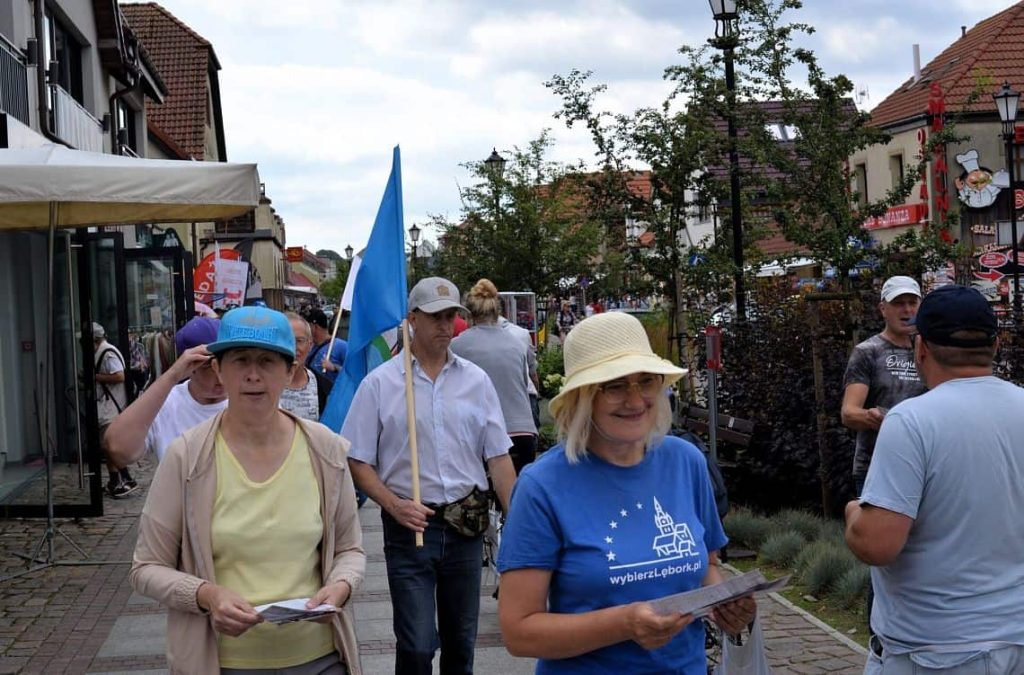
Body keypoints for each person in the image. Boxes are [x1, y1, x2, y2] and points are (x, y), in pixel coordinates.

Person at [497, 312, 756, 674]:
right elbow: (519, 632)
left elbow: (707, 566)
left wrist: (725, 606)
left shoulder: (685, 462)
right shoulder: (542, 486)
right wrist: (625, 624)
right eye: (615, 386)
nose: (635, 401)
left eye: (646, 381)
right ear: (582, 397)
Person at [130, 306, 365, 674]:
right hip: (223, 662)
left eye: (267, 361)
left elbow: (350, 549)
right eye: (240, 360)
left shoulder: (325, 450)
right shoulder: (187, 457)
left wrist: (341, 585)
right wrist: (207, 595)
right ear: (219, 369)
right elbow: (146, 567)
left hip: (319, 659)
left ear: (290, 370)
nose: (253, 375)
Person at [343, 276, 517, 675]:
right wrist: (393, 504)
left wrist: (520, 522)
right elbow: (357, 459)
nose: (445, 325)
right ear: (412, 320)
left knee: (461, 643)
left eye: (451, 316)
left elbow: (498, 457)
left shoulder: (476, 380)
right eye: (435, 316)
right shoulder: (381, 383)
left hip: (465, 525)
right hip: (410, 527)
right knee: (417, 645)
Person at [845, 285, 1024, 673]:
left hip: (937, 649)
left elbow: (876, 544)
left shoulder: (911, 421)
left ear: (921, 347)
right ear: (995, 345)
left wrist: (853, 513)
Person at [841, 275, 927, 495]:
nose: (907, 310)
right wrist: (874, 417)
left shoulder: (929, 350)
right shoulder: (867, 352)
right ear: (883, 309)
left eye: (912, 303)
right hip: (876, 468)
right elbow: (849, 414)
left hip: (923, 467)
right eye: (898, 303)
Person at [104, 317, 227, 468]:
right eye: (209, 366)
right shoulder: (166, 402)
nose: (221, 375)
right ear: (190, 365)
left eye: (227, 363)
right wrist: (172, 375)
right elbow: (117, 449)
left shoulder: (245, 398)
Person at [452, 279, 538, 475]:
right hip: (524, 432)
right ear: (498, 312)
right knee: (516, 490)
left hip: (483, 436)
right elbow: (528, 384)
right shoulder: (518, 344)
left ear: (469, 315)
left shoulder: (456, 346)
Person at [92, 322, 135, 498]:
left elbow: (119, 375)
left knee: (109, 445)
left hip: (111, 407)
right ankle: (115, 480)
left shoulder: (107, 353)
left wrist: (95, 377)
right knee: (107, 446)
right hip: (108, 406)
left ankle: (125, 478)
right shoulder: (103, 351)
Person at [280, 312, 334, 421]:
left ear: (310, 345)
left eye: (299, 341)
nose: (293, 347)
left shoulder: (325, 389)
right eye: (286, 340)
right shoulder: (260, 383)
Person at [305, 309, 347, 383]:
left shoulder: (342, 346)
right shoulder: (308, 346)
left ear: (315, 327)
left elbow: (353, 372)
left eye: (307, 326)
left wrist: (334, 368)